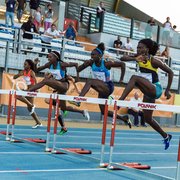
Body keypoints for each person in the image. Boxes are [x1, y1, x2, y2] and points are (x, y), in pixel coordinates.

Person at [118, 38, 174, 150]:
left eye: (140, 47)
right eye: (137, 47)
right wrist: (134, 57)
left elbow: (170, 72)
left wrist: (167, 90)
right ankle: (166, 136)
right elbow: (122, 58)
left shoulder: (153, 60)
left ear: (147, 49)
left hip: (155, 89)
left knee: (134, 78)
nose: (138, 49)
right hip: (147, 92)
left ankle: (120, 100)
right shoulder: (137, 57)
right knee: (148, 118)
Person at [70, 43, 132, 128]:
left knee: (90, 81)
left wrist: (121, 79)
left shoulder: (106, 64)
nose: (92, 56)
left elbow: (122, 64)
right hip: (101, 89)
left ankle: (79, 100)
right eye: (91, 54)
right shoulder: (91, 63)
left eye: (94, 55)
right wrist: (85, 64)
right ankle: (124, 118)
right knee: (104, 112)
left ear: (100, 56)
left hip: (108, 87)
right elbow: (78, 69)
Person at [28, 51, 90, 134]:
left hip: (64, 86)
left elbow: (75, 64)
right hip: (58, 88)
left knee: (46, 81)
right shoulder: (49, 65)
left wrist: (77, 77)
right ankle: (82, 112)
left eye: (50, 57)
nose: (48, 58)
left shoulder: (62, 64)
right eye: (48, 57)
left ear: (56, 58)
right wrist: (35, 64)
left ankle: (29, 90)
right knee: (63, 108)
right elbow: (36, 70)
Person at [13, 59, 42, 128]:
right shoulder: (23, 72)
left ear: (29, 65)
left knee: (17, 96)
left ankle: (31, 105)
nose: (24, 65)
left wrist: (36, 89)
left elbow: (35, 81)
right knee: (29, 109)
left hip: (31, 90)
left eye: (25, 64)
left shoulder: (31, 72)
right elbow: (14, 77)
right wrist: (18, 75)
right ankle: (38, 122)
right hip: (28, 89)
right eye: (24, 64)